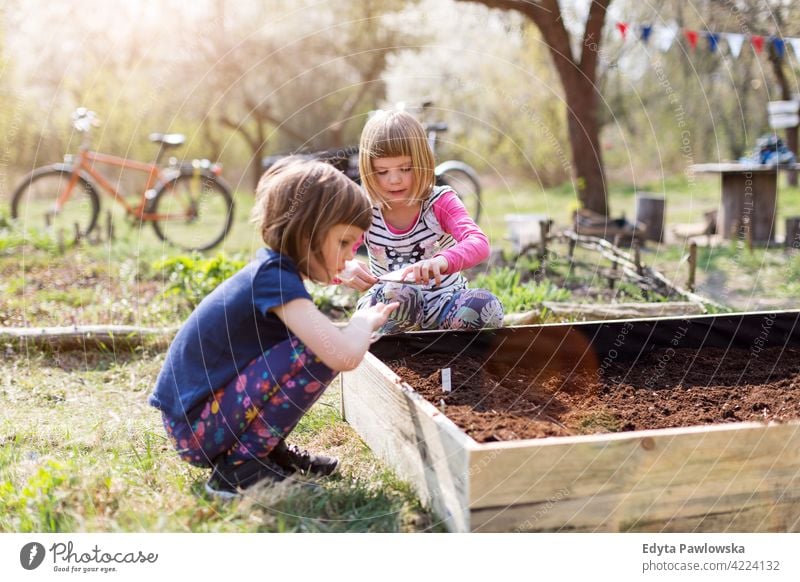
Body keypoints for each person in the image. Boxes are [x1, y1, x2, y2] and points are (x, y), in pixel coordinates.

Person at [149, 159, 398, 498]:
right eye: (343, 243)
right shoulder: (274, 279)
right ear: (307, 233)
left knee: (314, 341)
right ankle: (240, 468)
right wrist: (363, 322)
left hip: (204, 419)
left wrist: (338, 269)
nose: (348, 255)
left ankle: (262, 453)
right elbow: (341, 355)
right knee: (318, 348)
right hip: (196, 428)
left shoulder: (273, 272)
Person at [340, 110, 503, 333]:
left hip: (445, 303)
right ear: (368, 170)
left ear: (422, 163)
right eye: (382, 171)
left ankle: (444, 355)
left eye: (405, 169)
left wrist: (442, 261)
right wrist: (343, 268)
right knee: (400, 292)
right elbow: (325, 257)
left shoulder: (440, 201)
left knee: (487, 307)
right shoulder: (364, 209)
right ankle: (391, 354)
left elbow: (479, 243)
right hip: (390, 307)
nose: (394, 179)